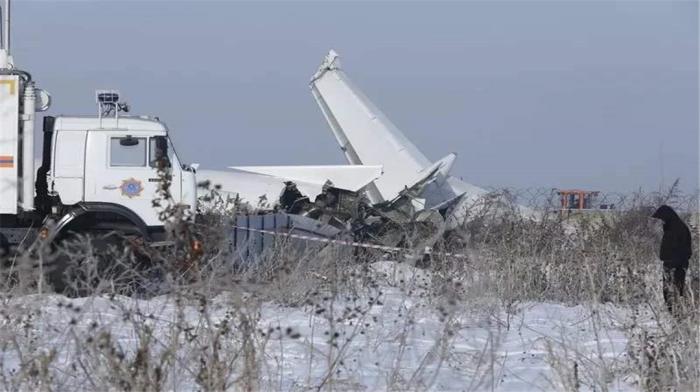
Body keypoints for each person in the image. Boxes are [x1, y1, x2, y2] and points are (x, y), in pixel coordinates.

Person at [651, 205, 692, 313]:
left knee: (675, 289)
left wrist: (674, 262)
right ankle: (673, 311)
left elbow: (684, 249)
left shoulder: (677, 228)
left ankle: (676, 313)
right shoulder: (672, 227)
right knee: (671, 289)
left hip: (675, 265)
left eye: (661, 218)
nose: (661, 221)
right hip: (672, 264)